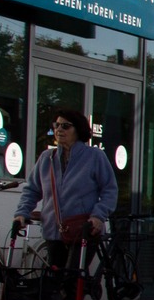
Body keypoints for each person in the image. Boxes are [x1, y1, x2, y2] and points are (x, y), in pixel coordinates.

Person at [12, 108, 117, 269]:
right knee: (55, 281)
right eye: (57, 125)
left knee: (72, 281)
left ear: (78, 129)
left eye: (65, 126)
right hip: (54, 230)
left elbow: (109, 190)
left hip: (84, 230)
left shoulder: (94, 156)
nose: (59, 129)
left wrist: (98, 215)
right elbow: (32, 190)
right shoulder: (46, 158)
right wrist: (21, 213)